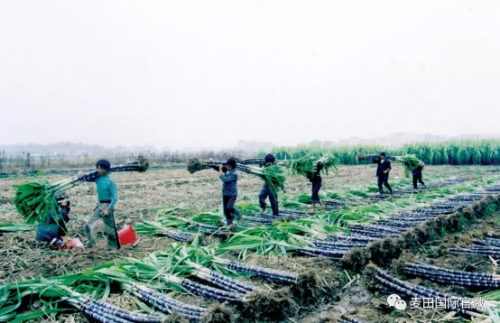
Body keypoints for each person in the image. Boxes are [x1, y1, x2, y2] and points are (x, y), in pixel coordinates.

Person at [78, 159, 120, 250]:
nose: (98, 170)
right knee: (89, 224)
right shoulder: (98, 178)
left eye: (100, 168)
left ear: (106, 169)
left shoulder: (110, 181)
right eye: (97, 168)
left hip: (107, 205)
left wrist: (108, 209)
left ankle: (113, 248)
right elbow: (86, 178)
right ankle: (91, 245)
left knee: (110, 228)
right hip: (99, 205)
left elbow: (115, 197)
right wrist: (82, 174)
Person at [219, 158, 241, 226]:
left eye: (229, 166)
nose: (227, 167)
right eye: (227, 165)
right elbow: (224, 173)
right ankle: (230, 225)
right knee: (226, 211)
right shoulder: (228, 171)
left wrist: (220, 170)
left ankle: (238, 212)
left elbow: (225, 180)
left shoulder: (234, 174)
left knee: (229, 208)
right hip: (225, 193)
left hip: (232, 194)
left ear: (232, 166)